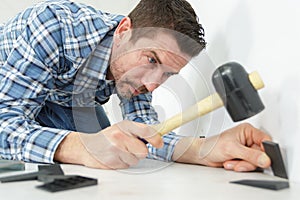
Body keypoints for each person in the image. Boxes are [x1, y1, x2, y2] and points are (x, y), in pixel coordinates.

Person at [0, 0, 272, 171]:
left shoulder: (135, 73)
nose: (153, 84)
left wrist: (204, 149)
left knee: (117, 151)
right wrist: (81, 147)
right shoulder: (53, 27)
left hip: (64, 99)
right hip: (9, 90)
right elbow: (4, 127)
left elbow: (146, 133)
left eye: (167, 74)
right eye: (151, 59)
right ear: (123, 31)